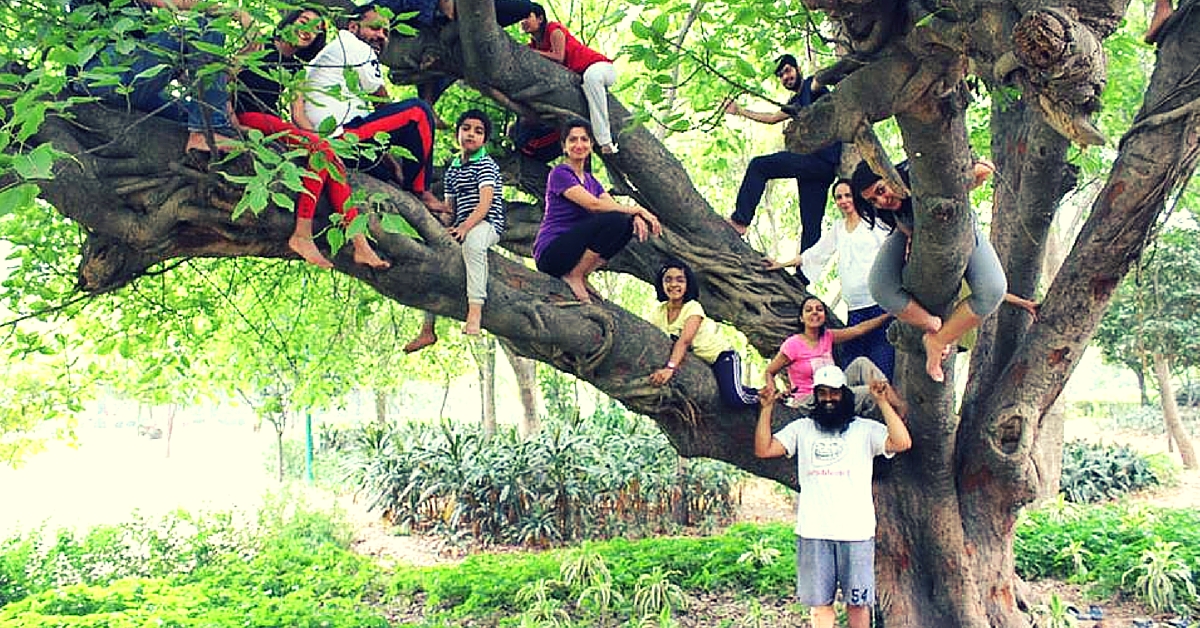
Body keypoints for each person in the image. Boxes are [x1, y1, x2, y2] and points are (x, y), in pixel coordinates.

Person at [755, 365, 912, 628]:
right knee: (820, 605)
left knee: (859, 603)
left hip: (856, 532)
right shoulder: (801, 429)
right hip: (814, 531)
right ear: (815, 396)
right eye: (823, 394)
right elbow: (764, 449)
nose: (828, 399)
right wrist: (767, 408)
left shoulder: (865, 429)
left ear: (845, 395)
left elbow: (902, 442)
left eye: (834, 393)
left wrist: (883, 402)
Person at [232, 9, 390, 270]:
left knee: (328, 157)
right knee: (322, 151)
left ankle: (360, 243)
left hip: (271, 125)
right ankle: (303, 233)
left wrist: (322, 140)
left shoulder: (297, 69)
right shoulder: (261, 45)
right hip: (247, 117)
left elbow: (298, 116)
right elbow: (226, 77)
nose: (308, 30)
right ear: (289, 22)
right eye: (303, 22)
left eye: (316, 28)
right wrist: (229, 120)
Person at [850, 158, 1006, 383]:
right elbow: (900, 222)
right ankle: (932, 324)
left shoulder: (919, 172)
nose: (881, 200)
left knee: (994, 290)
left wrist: (957, 186)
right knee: (879, 286)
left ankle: (938, 339)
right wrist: (911, 237)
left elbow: (987, 167)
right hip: (912, 234)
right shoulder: (889, 208)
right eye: (873, 200)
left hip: (960, 229)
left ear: (889, 174)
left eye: (881, 190)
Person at [293, 3, 448, 213]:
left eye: (386, 32)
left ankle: (408, 186)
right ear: (353, 28)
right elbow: (382, 102)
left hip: (349, 144)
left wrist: (392, 163)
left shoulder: (343, 56)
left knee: (389, 173)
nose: (382, 36)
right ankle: (421, 190)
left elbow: (374, 121)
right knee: (418, 112)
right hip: (338, 139)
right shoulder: (352, 45)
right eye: (374, 28)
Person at [70, 0, 249, 155]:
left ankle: (213, 129)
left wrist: (228, 118)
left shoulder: (141, 20)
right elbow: (180, 3)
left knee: (185, 113)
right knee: (203, 28)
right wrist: (237, 14)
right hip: (98, 74)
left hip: (124, 82)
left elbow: (196, 78)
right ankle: (205, 132)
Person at [765, 179, 895, 379]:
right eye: (839, 197)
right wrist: (780, 264)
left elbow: (894, 250)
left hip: (879, 303)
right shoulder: (838, 228)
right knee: (854, 366)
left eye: (847, 195)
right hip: (854, 309)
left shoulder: (874, 223)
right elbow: (815, 254)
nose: (844, 201)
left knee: (882, 366)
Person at [405, 110, 506, 352]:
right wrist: (435, 211)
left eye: (478, 131)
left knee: (473, 245)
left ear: (484, 140)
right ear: (457, 133)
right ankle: (427, 329)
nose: (471, 134)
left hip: (487, 224)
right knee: (432, 255)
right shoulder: (453, 169)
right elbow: (450, 208)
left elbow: (485, 205)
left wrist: (464, 227)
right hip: (462, 224)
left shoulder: (486, 165)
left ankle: (475, 311)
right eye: (467, 128)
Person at [533, 119, 661, 303]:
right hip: (551, 253)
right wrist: (638, 209)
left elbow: (612, 205)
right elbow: (595, 205)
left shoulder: (591, 180)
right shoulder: (560, 173)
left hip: (572, 252)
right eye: (573, 140)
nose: (579, 145)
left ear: (591, 145)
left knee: (624, 225)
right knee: (616, 219)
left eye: (584, 139)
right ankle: (574, 275)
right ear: (564, 146)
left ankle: (583, 274)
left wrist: (634, 216)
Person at [723, 54, 841, 245]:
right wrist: (739, 111)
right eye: (781, 75)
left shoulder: (811, 86)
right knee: (810, 227)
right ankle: (804, 275)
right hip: (817, 169)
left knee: (759, 166)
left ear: (798, 69)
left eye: (787, 70)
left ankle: (740, 220)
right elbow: (771, 118)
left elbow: (821, 80)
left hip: (821, 160)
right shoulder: (795, 102)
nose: (785, 77)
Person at [763, 295, 907, 419]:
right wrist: (773, 392)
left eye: (819, 309)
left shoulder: (828, 336)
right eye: (809, 310)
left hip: (835, 391)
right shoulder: (793, 344)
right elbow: (769, 371)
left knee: (861, 362)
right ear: (801, 318)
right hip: (809, 401)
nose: (815, 313)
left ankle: (899, 405)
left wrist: (890, 314)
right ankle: (892, 414)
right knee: (870, 392)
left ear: (824, 316)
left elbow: (859, 330)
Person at [647, 260, 758, 409]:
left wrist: (670, 368)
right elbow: (650, 335)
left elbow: (684, 341)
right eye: (668, 280)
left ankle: (765, 396)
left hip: (722, 357)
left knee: (734, 399)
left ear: (688, 285)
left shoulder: (692, 307)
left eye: (680, 280)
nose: (673, 285)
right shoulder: (659, 311)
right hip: (699, 362)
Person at [521, 4, 620, 154]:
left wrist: (532, 52)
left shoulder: (553, 29)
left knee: (591, 78)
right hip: (582, 79)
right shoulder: (534, 45)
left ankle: (605, 141)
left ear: (540, 18)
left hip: (601, 67)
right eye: (521, 18)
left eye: (528, 17)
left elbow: (558, 57)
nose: (523, 21)